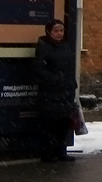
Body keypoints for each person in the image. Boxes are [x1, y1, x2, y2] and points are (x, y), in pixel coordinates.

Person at [33, 18, 77, 162]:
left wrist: (71, 83)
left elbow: (69, 67)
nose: (59, 34)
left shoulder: (65, 46)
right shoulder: (44, 46)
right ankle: (47, 153)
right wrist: (54, 79)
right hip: (50, 93)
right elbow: (39, 68)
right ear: (49, 32)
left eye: (61, 31)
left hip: (65, 92)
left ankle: (61, 151)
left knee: (64, 123)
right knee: (50, 124)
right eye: (56, 31)